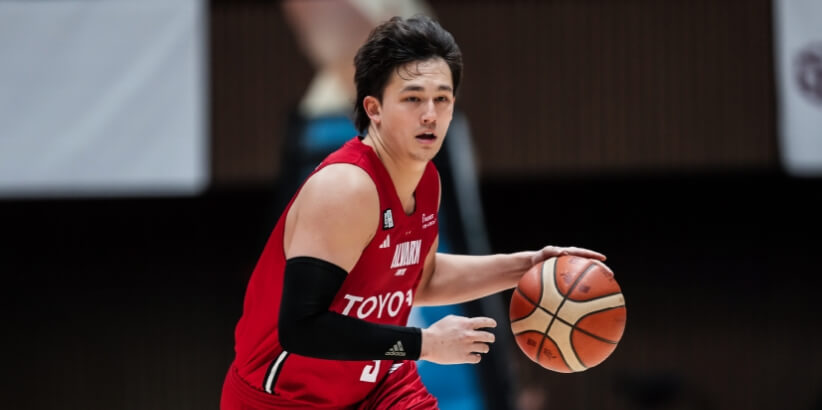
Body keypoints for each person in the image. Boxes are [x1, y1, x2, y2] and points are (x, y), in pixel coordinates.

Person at [221, 15, 609, 409]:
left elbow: (422, 278)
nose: (430, 114)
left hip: (377, 384)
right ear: (374, 108)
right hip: (284, 397)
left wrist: (525, 266)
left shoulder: (426, 183)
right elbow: (301, 329)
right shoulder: (345, 188)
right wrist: (425, 344)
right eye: (413, 98)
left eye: (442, 99)